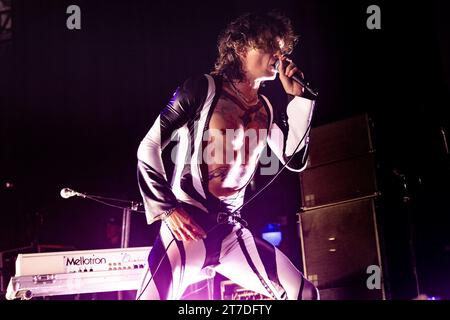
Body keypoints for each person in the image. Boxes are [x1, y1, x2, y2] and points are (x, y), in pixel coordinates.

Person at [135, 11, 319, 300]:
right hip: (188, 226)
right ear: (242, 47)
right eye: (271, 45)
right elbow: (148, 146)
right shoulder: (202, 89)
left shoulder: (267, 108)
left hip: (230, 231)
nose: (279, 55)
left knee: (305, 294)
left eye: (283, 49)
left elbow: (294, 160)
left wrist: (300, 99)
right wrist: (167, 209)